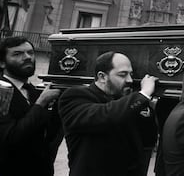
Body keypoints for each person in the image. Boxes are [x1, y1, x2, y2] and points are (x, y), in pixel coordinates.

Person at [58, 51, 158, 176]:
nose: (130, 80)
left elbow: (149, 139)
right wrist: (143, 95)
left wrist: (147, 107)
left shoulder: (128, 102)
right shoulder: (74, 96)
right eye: (123, 75)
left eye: (131, 74)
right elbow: (106, 116)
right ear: (102, 77)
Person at [0, 36, 62, 176]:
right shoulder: (1, 90)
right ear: (2, 63)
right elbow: (10, 138)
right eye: (18, 54)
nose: (27, 57)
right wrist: (41, 103)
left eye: (30, 52)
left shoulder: (34, 92)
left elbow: (49, 136)